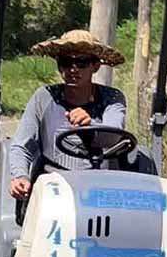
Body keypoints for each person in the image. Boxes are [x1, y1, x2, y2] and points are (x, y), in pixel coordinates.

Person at [9, 29, 127, 199]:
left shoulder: (112, 98)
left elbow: (113, 135)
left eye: (82, 62)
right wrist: (20, 176)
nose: (73, 69)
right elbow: (21, 145)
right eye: (66, 62)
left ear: (95, 66)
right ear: (59, 65)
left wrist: (90, 124)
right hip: (53, 187)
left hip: (101, 188)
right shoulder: (44, 97)